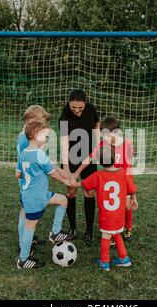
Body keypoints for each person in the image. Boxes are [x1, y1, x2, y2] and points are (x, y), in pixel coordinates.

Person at [16, 119, 73, 269]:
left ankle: (55, 232)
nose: (47, 139)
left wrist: (67, 175)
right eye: (45, 136)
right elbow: (53, 174)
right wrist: (67, 182)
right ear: (36, 135)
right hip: (36, 198)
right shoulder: (39, 155)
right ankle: (23, 259)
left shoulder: (24, 153)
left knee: (62, 200)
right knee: (30, 226)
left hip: (29, 194)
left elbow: (18, 174)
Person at [71, 145, 138, 271]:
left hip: (107, 215)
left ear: (100, 163)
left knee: (106, 236)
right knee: (117, 233)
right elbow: (132, 188)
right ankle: (124, 258)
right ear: (115, 159)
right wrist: (133, 199)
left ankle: (104, 261)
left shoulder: (98, 175)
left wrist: (72, 182)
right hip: (119, 214)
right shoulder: (123, 173)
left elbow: (84, 184)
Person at [71, 117, 138, 241]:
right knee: (113, 207)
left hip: (124, 180)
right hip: (109, 182)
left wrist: (130, 188)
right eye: (103, 135)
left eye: (107, 136)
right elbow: (89, 158)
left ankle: (128, 228)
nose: (105, 138)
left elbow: (128, 166)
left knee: (127, 207)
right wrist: (77, 172)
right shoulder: (103, 145)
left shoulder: (127, 143)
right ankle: (113, 232)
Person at [59, 89, 100, 245]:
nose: (77, 110)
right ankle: (73, 229)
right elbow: (64, 142)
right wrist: (66, 167)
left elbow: (96, 123)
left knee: (89, 191)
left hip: (89, 156)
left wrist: (96, 142)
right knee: (71, 190)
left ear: (85, 104)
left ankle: (89, 231)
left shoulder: (91, 109)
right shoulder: (64, 116)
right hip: (71, 156)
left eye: (80, 108)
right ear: (69, 102)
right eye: (73, 107)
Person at [15, 105, 50, 257]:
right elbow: (25, 162)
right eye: (41, 122)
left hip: (28, 180)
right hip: (27, 181)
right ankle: (23, 243)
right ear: (32, 122)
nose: (44, 126)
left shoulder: (24, 136)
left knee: (25, 211)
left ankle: (27, 240)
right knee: (25, 212)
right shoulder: (24, 140)